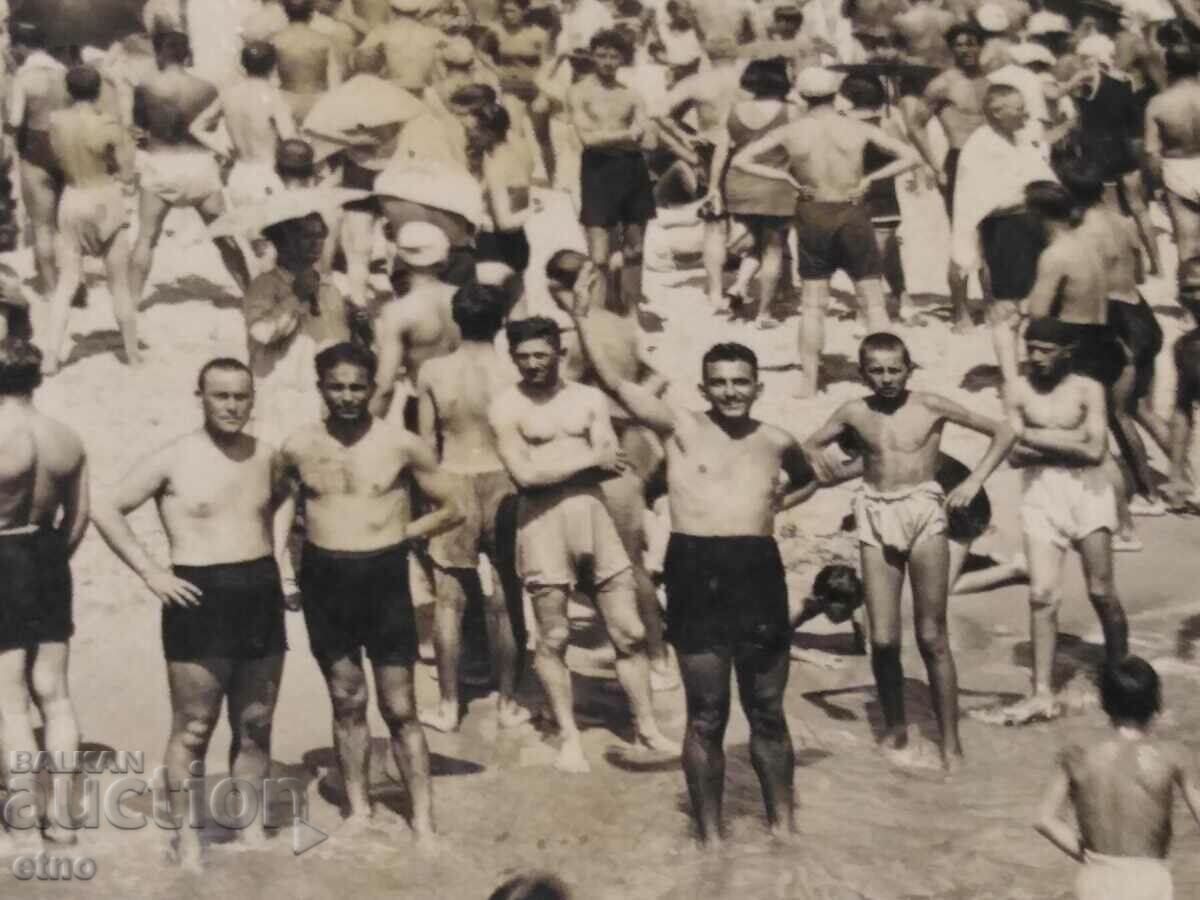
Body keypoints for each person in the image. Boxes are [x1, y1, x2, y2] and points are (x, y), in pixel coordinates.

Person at [550, 318, 815, 844]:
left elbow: (809, 478)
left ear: (758, 386)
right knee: (707, 714)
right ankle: (711, 838)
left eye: (741, 381)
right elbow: (616, 384)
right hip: (697, 571)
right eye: (720, 382)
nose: (731, 391)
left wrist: (775, 504)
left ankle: (784, 828)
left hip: (758, 571)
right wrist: (584, 319)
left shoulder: (777, 440)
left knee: (766, 709)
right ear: (704, 388)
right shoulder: (681, 428)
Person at [90, 359, 288, 866]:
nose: (232, 406)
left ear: (252, 398)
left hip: (260, 592)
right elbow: (106, 508)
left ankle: (249, 836)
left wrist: (281, 555)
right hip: (199, 597)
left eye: (241, 396)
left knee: (256, 724)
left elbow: (288, 498)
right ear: (198, 396)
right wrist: (151, 572)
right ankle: (189, 841)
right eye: (220, 396)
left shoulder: (267, 456)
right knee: (194, 728)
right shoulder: (173, 457)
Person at [803, 333, 1016, 770]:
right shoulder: (854, 412)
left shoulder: (931, 405)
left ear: (909, 369)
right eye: (876, 371)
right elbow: (807, 446)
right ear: (863, 373)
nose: (886, 379)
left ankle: (951, 744)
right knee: (881, 640)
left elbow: (1003, 430)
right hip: (875, 513)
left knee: (931, 637)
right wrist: (814, 460)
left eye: (894, 369)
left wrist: (974, 481)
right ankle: (897, 728)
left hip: (923, 510)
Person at [278, 341, 461, 844]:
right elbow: (278, 506)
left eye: (357, 386)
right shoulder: (297, 445)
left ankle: (422, 818)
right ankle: (359, 809)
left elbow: (452, 505)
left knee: (400, 706)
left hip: (382, 578)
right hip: (323, 578)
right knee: (345, 698)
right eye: (336, 386)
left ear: (371, 389)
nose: (347, 396)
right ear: (321, 388)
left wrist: (405, 533)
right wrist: (286, 571)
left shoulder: (401, 445)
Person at [488, 316, 677, 774]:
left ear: (560, 353)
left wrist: (573, 463)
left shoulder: (589, 398)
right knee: (554, 636)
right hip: (542, 525)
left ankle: (647, 725)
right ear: (513, 358)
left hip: (596, 517)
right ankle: (569, 736)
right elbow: (526, 477)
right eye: (524, 356)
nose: (533, 364)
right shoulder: (505, 407)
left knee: (629, 632)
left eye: (541, 354)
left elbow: (611, 461)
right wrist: (586, 460)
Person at [974, 318, 1127, 725]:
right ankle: (1041, 692)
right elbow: (1013, 455)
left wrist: (1032, 438)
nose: (1035, 356)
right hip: (1040, 495)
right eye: (1031, 347)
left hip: (1089, 493)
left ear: (1067, 351)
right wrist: (1068, 444)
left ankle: (1120, 673)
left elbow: (1096, 452)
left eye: (1045, 349)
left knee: (1102, 591)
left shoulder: (1088, 388)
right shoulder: (1017, 390)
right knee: (1041, 595)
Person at [731, 67, 919, 398]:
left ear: (801, 96)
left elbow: (743, 159)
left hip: (813, 210)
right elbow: (910, 156)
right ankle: (889, 373)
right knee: (873, 301)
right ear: (837, 94)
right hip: (850, 209)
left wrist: (785, 178)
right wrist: (870, 180)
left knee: (814, 303)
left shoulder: (792, 131)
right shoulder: (856, 127)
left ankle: (808, 381)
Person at [545, 251, 675, 688]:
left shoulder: (579, 337)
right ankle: (647, 649)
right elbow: (658, 378)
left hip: (612, 450)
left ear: (555, 289)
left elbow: (566, 397)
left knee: (625, 561)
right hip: (639, 444)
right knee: (626, 557)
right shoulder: (620, 324)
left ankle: (656, 657)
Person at [415, 282, 526, 732]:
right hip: (505, 478)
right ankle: (507, 703)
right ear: (501, 322)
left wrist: (429, 499)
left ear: (456, 321)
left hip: (454, 477)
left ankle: (447, 705)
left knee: (448, 601)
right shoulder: (513, 371)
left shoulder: (433, 371)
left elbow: (426, 443)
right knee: (505, 597)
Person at [0, 338, 89, 847]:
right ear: (36, 379)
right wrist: (51, 559)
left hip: (3, 554)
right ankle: (63, 820)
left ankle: (20, 814)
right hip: (48, 557)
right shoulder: (66, 438)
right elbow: (78, 518)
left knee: (9, 698)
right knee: (54, 694)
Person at [1036, 656, 1200, 900]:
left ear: (1103, 702)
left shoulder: (1077, 754)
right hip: (1149, 880)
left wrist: (1089, 856)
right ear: (1157, 703)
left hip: (1094, 878)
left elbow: (1043, 820)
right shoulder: (1172, 756)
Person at [1064, 164, 1170, 516]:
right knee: (1142, 408)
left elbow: (1088, 287)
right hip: (1141, 313)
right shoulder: (1123, 222)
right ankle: (1189, 477)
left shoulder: (1082, 234)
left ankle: (1148, 494)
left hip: (1117, 324)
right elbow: (1139, 271)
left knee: (1118, 413)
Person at [129, 31, 250, 305]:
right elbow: (210, 129)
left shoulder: (146, 87)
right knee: (224, 236)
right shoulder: (206, 88)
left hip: (161, 163)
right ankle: (248, 292)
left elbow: (140, 128)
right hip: (199, 164)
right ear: (186, 54)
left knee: (146, 238)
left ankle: (132, 302)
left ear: (159, 53)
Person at [952, 83, 1056, 394]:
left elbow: (1041, 175)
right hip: (1006, 233)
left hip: (1033, 227)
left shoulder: (1017, 138)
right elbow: (981, 202)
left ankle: (1035, 365)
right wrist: (1032, 195)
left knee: (1039, 300)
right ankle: (1010, 379)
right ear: (997, 112)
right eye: (1018, 107)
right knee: (1006, 309)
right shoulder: (981, 147)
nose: (1025, 112)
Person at [43, 66, 138, 376]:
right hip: (104, 197)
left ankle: (51, 355)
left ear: (70, 91)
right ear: (99, 91)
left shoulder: (56, 121)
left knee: (67, 282)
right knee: (119, 284)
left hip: (72, 197)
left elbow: (57, 160)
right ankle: (132, 355)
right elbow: (126, 174)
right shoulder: (108, 124)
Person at [902, 21, 990, 332]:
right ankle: (961, 312)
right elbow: (914, 124)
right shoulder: (942, 84)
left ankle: (991, 306)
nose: (966, 49)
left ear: (981, 46)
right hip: (960, 161)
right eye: (959, 44)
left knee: (993, 235)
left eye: (971, 43)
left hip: (992, 162)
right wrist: (934, 165)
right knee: (963, 237)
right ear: (951, 49)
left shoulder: (991, 81)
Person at [245, 209, 355, 444]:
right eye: (307, 236)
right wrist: (295, 297)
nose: (316, 243)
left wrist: (360, 326)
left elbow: (339, 340)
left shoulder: (332, 287)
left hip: (323, 396)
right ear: (283, 242)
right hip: (281, 397)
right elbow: (262, 333)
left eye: (321, 235)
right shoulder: (263, 286)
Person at [566, 29, 656, 314]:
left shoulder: (632, 95)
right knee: (599, 253)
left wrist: (619, 135)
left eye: (613, 56)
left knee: (635, 249)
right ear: (592, 56)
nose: (606, 61)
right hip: (598, 171)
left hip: (632, 170)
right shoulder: (579, 92)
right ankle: (599, 307)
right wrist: (627, 134)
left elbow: (649, 139)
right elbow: (588, 139)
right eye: (601, 55)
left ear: (622, 59)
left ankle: (630, 308)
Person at [703, 57, 797, 326]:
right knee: (773, 249)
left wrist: (713, 188)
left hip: (739, 183)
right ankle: (764, 313)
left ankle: (738, 286)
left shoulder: (734, 110)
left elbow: (721, 151)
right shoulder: (791, 112)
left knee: (754, 244)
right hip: (776, 184)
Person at [370, 222, 461, 427]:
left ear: (401, 257)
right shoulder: (466, 297)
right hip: (466, 403)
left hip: (423, 407)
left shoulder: (398, 311)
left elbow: (385, 386)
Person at [6, 21, 71, 295]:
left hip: (35, 149)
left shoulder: (24, 77)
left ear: (21, 45)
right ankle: (73, 284)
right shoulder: (65, 73)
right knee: (65, 225)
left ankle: (50, 288)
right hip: (66, 148)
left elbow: (15, 119)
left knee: (43, 226)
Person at [1146, 44, 1200, 326]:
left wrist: (1157, 185)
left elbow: (1152, 152)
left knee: (1188, 246)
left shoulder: (1159, 103)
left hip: (1179, 168)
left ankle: (1191, 311)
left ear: (1169, 68)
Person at [462, 92, 539, 274]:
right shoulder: (519, 152)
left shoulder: (496, 167)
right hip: (519, 243)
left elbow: (505, 223)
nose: (468, 137)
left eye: (472, 132)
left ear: (489, 132)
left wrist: (534, 210)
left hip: (495, 247)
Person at [488, 0, 557, 187]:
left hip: (535, 89)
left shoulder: (539, 34)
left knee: (542, 136)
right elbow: (481, 51)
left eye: (511, 11)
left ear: (524, 11)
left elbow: (548, 65)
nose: (507, 15)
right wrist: (496, 69)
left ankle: (553, 178)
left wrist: (544, 93)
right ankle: (522, 178)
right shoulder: (497, 31)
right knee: (514, 134)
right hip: (511, 88)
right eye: (504, 11)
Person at [271, 0, 344, 126]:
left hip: (287, 101)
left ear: (285, 13)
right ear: (311, 15)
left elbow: (271, 79)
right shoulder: (325, 41)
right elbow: (335, 78)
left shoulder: (275, 41)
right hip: (319, 101)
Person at [354, 0, 445, 92]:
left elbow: (358, 61)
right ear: (418, 12)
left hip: (394, 91)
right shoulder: (434, 34)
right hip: (423, 91)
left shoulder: (382, 32)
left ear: (392, 10)